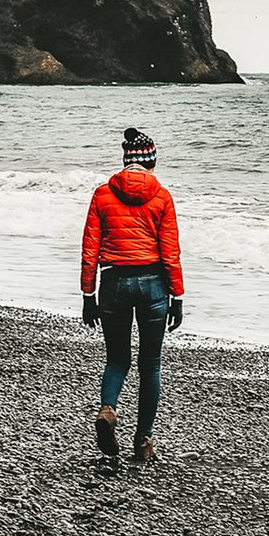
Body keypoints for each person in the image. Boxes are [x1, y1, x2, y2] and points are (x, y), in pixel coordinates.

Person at [80, 127, 185, 462]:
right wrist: (178, 296)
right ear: (151, 162)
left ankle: (108, 410)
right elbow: (171, 253)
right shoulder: (162, 196)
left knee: (117, 359)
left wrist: (87, 295)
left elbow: (89, 250)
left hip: (113, 284)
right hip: (153, 284)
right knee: (150, 364)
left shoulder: (102, 195)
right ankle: (143, 441)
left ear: (126, 162)